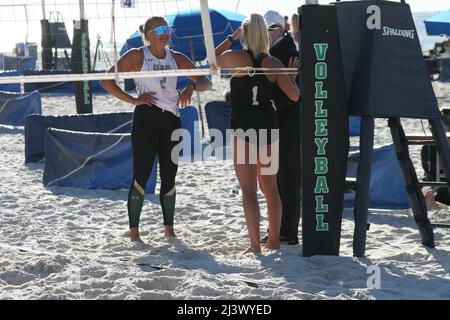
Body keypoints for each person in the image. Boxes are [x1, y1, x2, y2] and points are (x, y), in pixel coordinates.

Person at [100, 16, 212, 242]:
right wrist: (132, 100)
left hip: (171, 120)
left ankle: (169, 230)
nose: (165, 32)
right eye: (160, 29)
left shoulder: (177, 58)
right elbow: (106, 81)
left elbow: (206, 82)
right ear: (148, 34)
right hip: (146, 118)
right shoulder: (136, 55)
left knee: (170, 175)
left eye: (167, 28)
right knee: (141, 175)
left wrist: (190, 87)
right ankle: (134, 233)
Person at [213, 13, 300, 253]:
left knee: (249, 190)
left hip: (244, 128)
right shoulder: (273, 63)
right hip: (269, 128)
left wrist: (232, 37)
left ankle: (255, 246)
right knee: (271, 189)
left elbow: (211, 59)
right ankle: (273, 241)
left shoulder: (237, 58)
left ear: (245, 34)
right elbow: (294, 96)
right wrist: (290, 79)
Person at [264, 13, 301, 245]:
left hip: (288, 122)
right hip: (276, 120)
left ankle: (286, 232)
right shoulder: (269, 53)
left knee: (287, 178)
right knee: (275, 180)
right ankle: (278, 230)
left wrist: (288, 82)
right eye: (265, 28)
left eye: (273, 27)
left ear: (283, 28)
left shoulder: (288, 52)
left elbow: (293, 96)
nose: (268, 32)